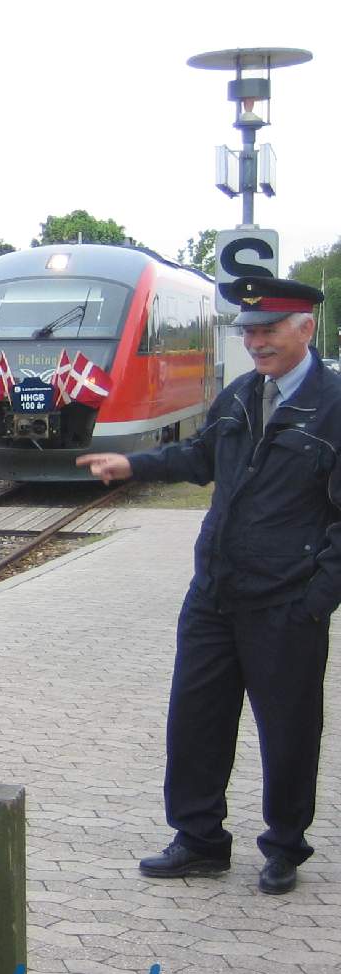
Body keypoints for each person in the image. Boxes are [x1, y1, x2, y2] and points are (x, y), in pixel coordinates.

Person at [77, 275, 333, 897]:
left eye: (268, 328)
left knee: (289, 729)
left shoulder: (335, 407)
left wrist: (317, 600)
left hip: (286, 600)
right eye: (248, 331)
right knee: (195, 720)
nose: (255, 342)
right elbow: (198, 459)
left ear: (306, 328)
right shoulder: (242, 396)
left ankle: (283, 846)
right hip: (214, 594)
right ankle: (199, 841)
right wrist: (133, 463)